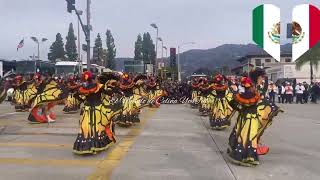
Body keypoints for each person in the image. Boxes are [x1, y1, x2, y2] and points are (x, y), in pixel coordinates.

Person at [73, 71, 121, 155]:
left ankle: (86, 146)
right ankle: (96, 146)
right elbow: (108, 93)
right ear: (94, 79)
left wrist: (84, 100)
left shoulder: (83, 87)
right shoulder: (99, 86)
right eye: (96, 79)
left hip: (87, 109)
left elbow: (75, 95)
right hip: (97, 109)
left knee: (87, 128)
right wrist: (113, 90)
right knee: (99, 127)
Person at [227, 77, 261, 166]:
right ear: (251, 86)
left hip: (243, 118)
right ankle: (250, 156)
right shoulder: (256, 95)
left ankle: (240, 154)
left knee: (242, 135)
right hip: (253, 119)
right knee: (251, 136)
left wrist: (239, 109)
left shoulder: (239, 95)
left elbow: (231, 103)